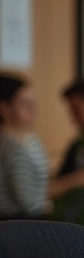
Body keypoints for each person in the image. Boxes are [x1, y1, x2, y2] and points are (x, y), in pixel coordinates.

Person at [0, 75, 49, 219]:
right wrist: (75, 181)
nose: (32, 109)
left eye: (33, 103)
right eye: (24, 103)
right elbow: (29, 202)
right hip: (15, 224)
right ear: (4, 108)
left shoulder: (32, 139)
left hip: (30, 218)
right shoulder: (9, 145)